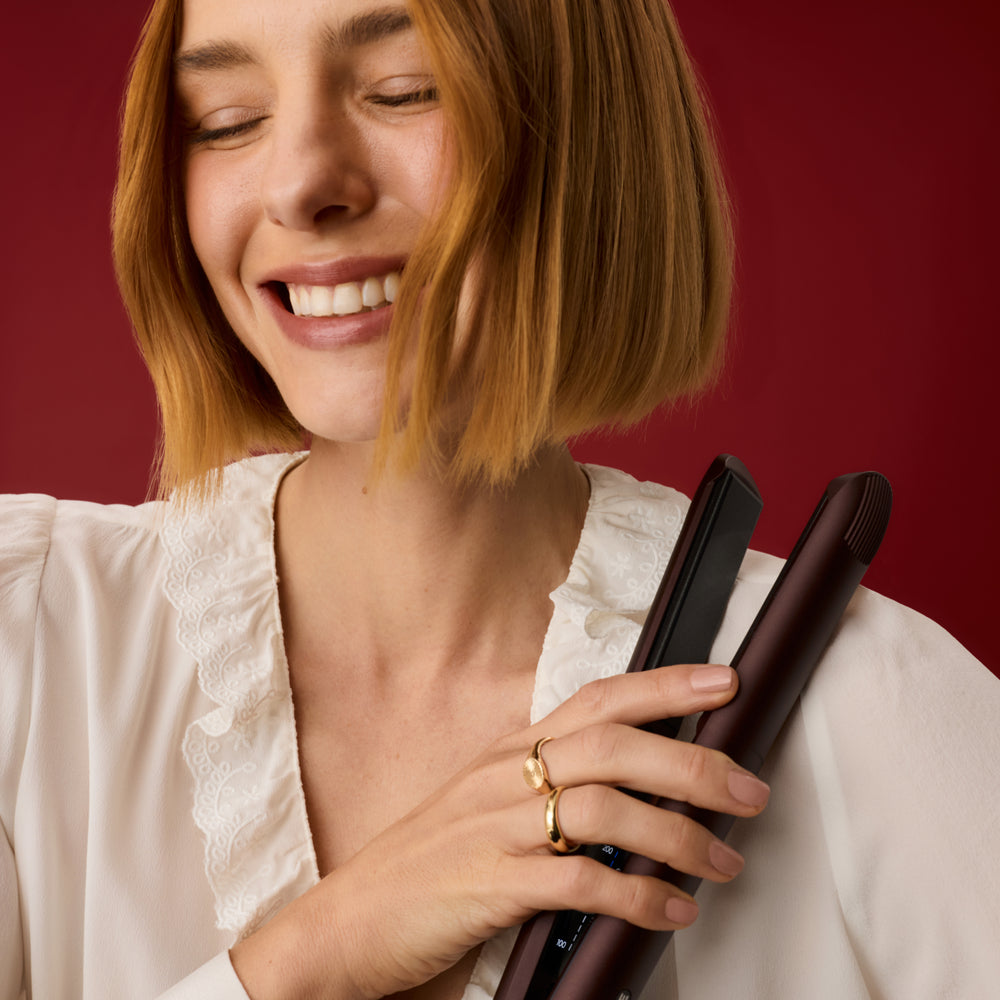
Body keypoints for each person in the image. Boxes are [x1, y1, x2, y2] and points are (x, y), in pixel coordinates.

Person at [1, 0, 997, 997]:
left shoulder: (872, 714)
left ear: (582, 135)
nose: (302, 185)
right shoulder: (26, 646)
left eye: (403, 90)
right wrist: (314, 955)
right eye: (223, 118)